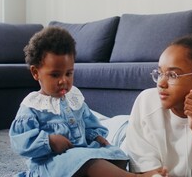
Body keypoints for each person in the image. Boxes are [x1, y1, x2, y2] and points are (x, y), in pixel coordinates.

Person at [9, 26, 167, 177]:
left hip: (82, 154)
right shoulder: (32, 106)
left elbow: (88, 122)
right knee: (91, 163)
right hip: (51, 165)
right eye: (55, 75)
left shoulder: (73, 98)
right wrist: (48, 141)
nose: (64, 80)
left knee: (118, 156)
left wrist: (97, 137)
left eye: (69, 73)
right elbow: (20, 142)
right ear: (36, 73)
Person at [123, 35, 192, 177]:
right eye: (160, 73)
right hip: (121, 133)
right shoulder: (146, 102)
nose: (161, 83)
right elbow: (147, 172)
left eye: (172, 75)